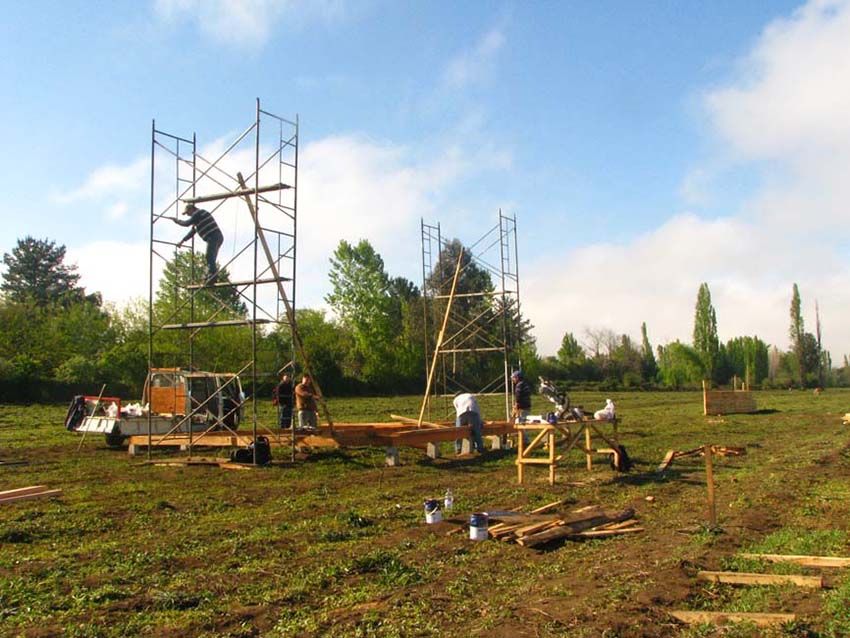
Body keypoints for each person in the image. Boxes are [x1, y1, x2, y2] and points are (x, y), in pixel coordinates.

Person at [173, 203, 224, 283]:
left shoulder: (198, 213)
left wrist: (177, 221)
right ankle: (210, 275)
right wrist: (182, 242)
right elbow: (192, 232)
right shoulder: (197, 219)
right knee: (211, 258)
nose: (188, 215)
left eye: (188, 213)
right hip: (215, 237)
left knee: (209, 256)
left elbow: (186, 223)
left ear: (192, 209)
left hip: (213, 236)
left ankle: (213, 276)